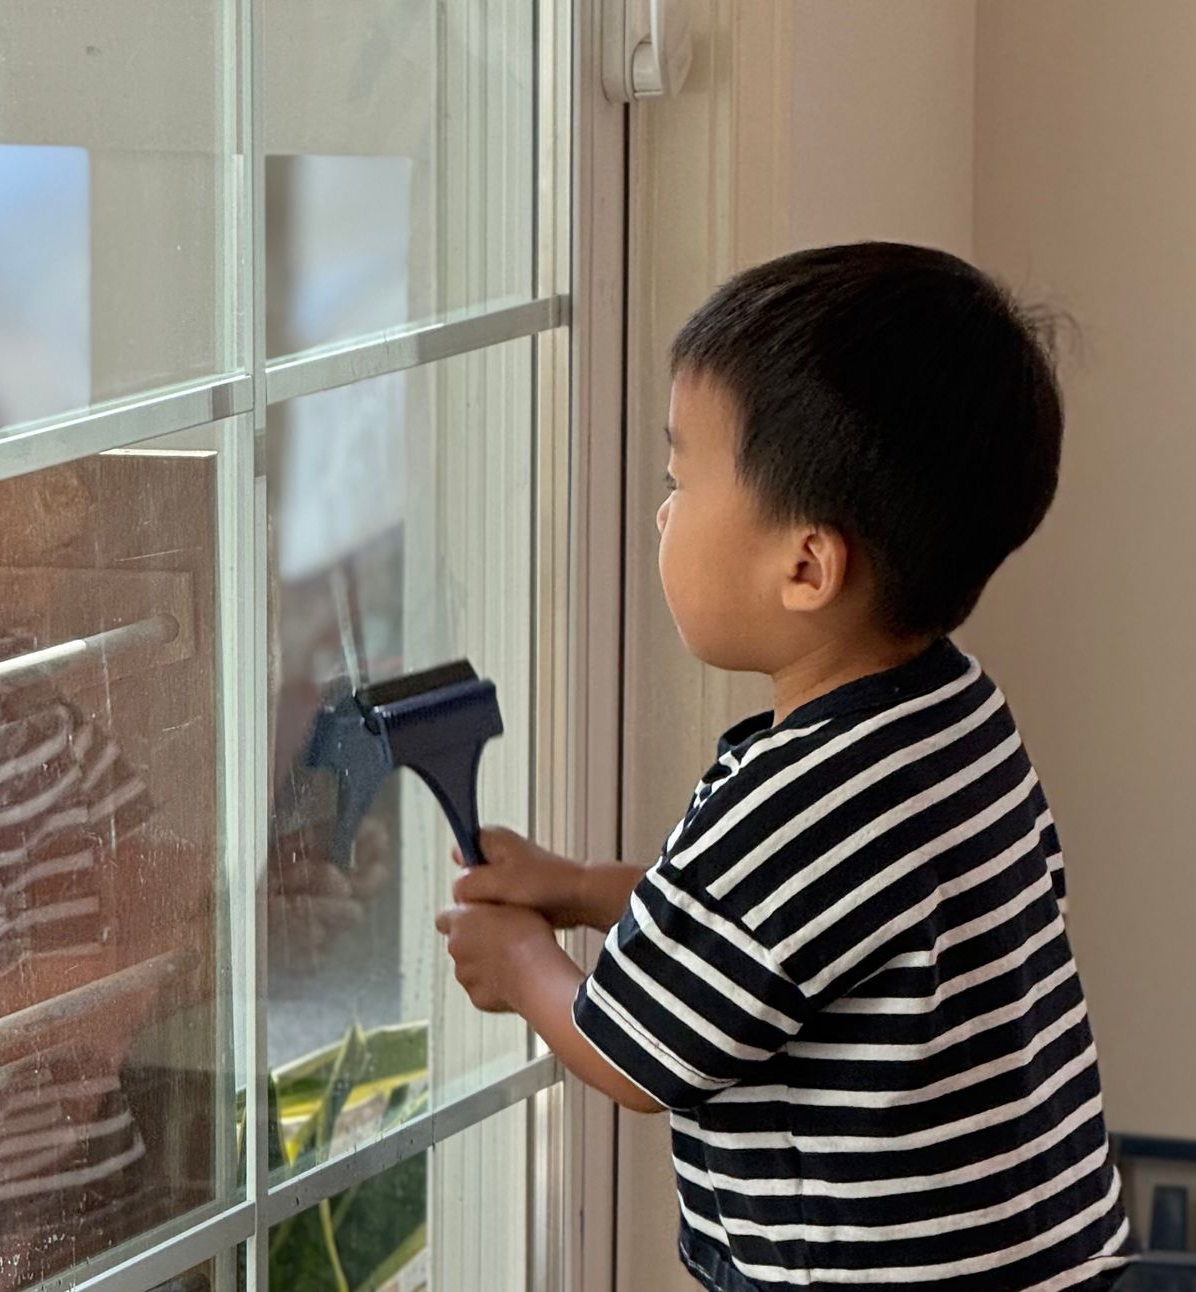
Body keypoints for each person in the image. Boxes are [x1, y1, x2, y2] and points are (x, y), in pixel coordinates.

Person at [436, 243, 1130, 1291]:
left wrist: (522, 964)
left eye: (680, 481)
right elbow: (780, 938)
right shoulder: (955, 712)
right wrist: (577, 888)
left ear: (806, 565)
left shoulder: (802, 796)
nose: (662, 512)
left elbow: (639, 1052)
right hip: (1042, 1253)